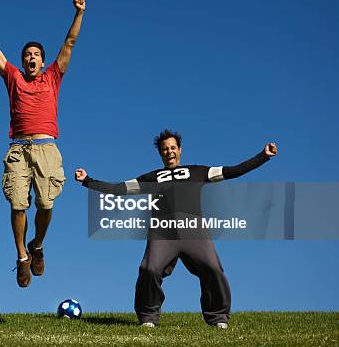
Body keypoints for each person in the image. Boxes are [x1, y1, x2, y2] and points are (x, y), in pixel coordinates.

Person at [75, 129, 278, 328]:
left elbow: (234, 170)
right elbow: (119, 190)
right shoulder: (151, 178)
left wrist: (263, 156)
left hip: (194, 230)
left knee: (213, 269)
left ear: (180, 150)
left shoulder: (198, 171)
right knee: (149, 269)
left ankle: (218, 319)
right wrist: (87, 181)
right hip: (163, 231)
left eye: (173, 147)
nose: (169, 151)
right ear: (160, 153)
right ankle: (148, 318)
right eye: (165, 149)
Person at [0, 0, 85, 287]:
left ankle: (37, 245)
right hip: (19, 149)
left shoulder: (53, 77)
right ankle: (22, 256)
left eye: (36, 54)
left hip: (47, 148)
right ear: (22, 61)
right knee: (17, 204)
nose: (31, 58)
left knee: (46, 204)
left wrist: (78, 13)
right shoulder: (13, 78)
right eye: (27, 55)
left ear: (43, 60)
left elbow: (70, 42)